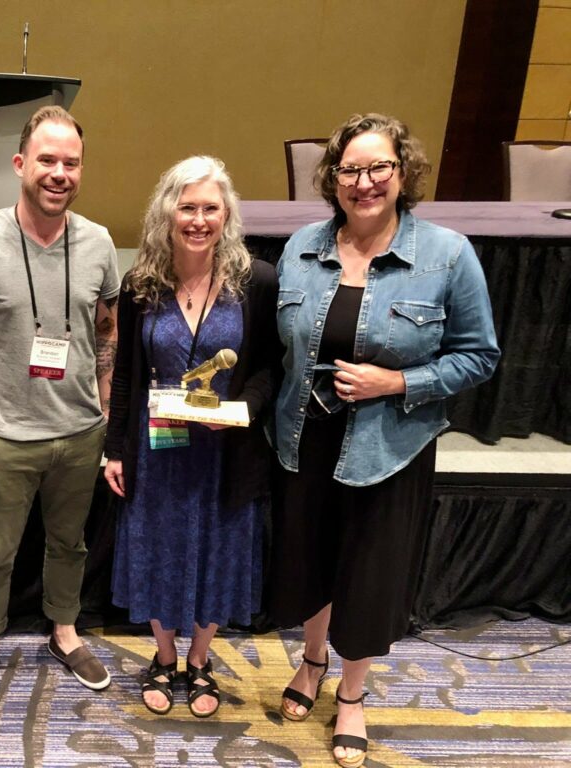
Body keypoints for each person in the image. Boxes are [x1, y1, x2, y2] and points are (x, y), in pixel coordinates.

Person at [269, 113, 500, 767]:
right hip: (304, 436)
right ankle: (312, 662)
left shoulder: (448, 255)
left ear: (403, 173)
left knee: (367, 576)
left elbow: (478, 356)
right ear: (332, 177)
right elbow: (279, 346)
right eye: (350, 169)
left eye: (379, 168)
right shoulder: (300, 248)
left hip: (389, 446)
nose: (364, 182)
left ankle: (352, 695)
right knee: (311, 562)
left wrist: (396, 380)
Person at [0, 105, 120, 711]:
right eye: (47, 160)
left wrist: (105, 411)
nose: (59, 173)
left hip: (79, 431)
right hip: (4, 434)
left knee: (69, 545)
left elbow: (106, 335)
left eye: (71, 162)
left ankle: (64, 631)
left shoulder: (97, 244)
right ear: (21, 164)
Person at [103, 156, 279, 717]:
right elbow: (126, 373)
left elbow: (271, 368)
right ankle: (163, 656)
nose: (199, 219)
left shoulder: (259, 281)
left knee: (218, 552)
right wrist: (114, 448)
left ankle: (199, 661)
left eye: (210, 207)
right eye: (188, 206)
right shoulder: (141, 284)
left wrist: (239, 410)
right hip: (157, 450)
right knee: (157, 549)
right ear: (168, 212)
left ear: (226, 215)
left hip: (225, 452)